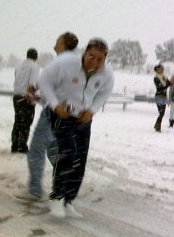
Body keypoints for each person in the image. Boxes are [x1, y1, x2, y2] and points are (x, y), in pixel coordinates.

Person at [37, 37, 114, 218]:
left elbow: (104, 93)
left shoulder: (107, 75)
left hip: (83, 118)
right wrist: (55, 104)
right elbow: (44, 81)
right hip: (60, 114)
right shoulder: (65, 63)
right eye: (91, 56)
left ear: (105, 59)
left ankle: (68, 200)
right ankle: (57, 197)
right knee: (68, 153)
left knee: (80, 159)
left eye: (100, 59)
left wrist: (92, 110)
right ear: (84, 52)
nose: (94, 62)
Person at [16, 32, 79, 202]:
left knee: (36, 149)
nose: (55, 43)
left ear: (64, 43)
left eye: (58, 40)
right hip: (67, 114)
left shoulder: (61, 62)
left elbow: (48, 86)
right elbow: (60, 91)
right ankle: (66, 187)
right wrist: (39, 97)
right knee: (54, 151)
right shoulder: (75, 63)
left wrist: (34, 90)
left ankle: (35, 190)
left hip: (53, 114)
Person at [11, 48, 39, 153]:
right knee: (26, 123)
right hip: (26, 97)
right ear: (36, 57)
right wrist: (32, 98)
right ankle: (22, 147)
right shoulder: (34, 67)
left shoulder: (19, 66)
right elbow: (32, 83)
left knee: (17, 121)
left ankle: (14, 145)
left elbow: (16, 78)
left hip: (16, 96)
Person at [153, 63, 171, 132]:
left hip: (164, 97)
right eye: (159, 69)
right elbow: (160, 87)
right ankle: (158, 127)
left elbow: (169, 84)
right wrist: (167, 85)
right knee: (161, 113)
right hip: (159, 96)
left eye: (162, 68)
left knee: (162, 113)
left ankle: (156, 125)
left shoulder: (164, 77)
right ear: (156, 70)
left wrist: (172, 80)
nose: (161, 70)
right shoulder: (156, 78)